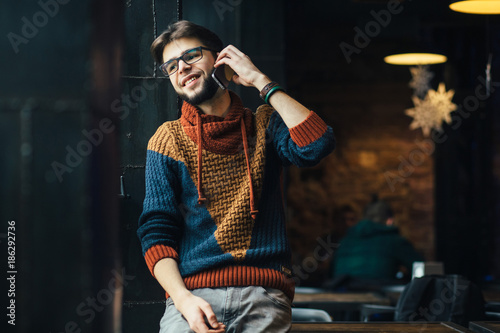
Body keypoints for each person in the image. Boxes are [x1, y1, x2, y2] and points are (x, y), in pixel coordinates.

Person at [137, 20, 335, 333]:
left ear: (221, 58)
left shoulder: (265, 123)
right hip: (191, 299)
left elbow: (317, 145)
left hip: (264, 295)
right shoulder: (167, 140)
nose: (182, 69)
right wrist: (182, 299)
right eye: (171, 66)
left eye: (191, 55)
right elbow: (156, 234)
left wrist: (260, 81)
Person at [329, 196, 423, 289]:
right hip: (378, 297)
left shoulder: (345, 241)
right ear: (389, 221)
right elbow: (421, 270)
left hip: (341, 295)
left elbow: (331, 272)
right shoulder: (395, 241)